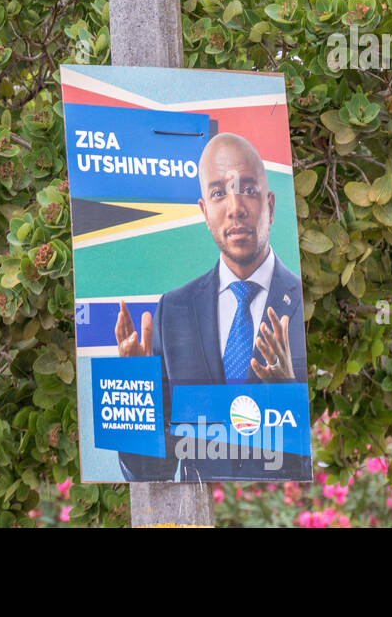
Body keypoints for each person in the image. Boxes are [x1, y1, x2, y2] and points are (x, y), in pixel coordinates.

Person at [112, 132, 307, 481]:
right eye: (219, 193)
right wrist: (136, 395)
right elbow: (150, 472)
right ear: (204, 211)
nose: (235, 208)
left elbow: (318, 462)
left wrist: (286, 394)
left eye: (248, 189)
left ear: (271, 205)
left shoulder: (304, 301)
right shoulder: (173, 310)